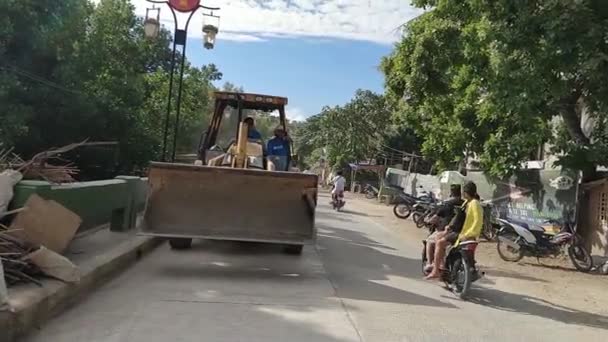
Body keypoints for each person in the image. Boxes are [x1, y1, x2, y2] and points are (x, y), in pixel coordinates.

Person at [425, 181, 483, 280]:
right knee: (439, 237)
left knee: (440, 242)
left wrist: (469, 234)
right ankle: (439, 264)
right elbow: (458, 217)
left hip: (463, 234)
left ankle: (436, 270)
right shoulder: (466, 203)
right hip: (458, 231)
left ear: (465, 192)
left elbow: (478, 221)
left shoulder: (474, 204)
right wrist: (449, 227)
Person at [424, 184, 463, 273]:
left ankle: (430, 264)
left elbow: (436, 217)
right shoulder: (464, 203)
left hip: (448, 231)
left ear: (451, 192)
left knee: (430, 240)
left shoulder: (447, 203)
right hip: (462, 230)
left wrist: (428, 221)